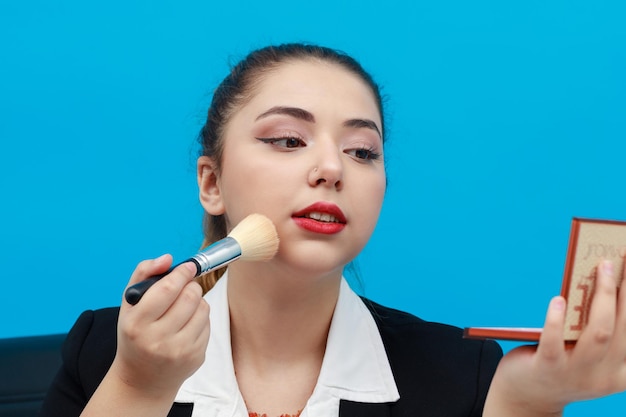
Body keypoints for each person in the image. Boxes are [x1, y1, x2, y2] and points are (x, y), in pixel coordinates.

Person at [40, 43, 626, 417]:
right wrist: (139, 388)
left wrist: (529, 401)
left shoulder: (462, 374)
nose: (332, 168)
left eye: (362, 151)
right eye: (289, 140)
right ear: (211, 183)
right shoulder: (105, 351)